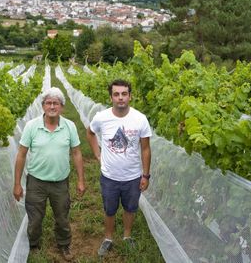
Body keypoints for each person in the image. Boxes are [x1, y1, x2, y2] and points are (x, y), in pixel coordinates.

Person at [13, 87, 85, 261]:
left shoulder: (69, 126)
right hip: (36, 182)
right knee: (35, 217)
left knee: (62, 216)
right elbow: (21, 154)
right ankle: (34, 244)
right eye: (48, 103)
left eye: (56, 103)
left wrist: (81, 180)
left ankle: (64, 244)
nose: (52, 106)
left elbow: (76, 153)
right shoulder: (32, 126)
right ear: (43, 106)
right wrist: (17, 184)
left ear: (62, 107)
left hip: (60, 182)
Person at [86, 79, 152, 257]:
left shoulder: (140, 119)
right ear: (111, 97)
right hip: (109, 177)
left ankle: (126, 236)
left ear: (130, 96)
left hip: (132, 177)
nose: (120, 98)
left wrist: (145, 176)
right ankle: (108, 238)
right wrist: (97, 154)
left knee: (130, 208)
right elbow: (90, 132)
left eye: (124, 94)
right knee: (110, 209)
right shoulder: (102, 117)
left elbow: (145, 149)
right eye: (116, 94)